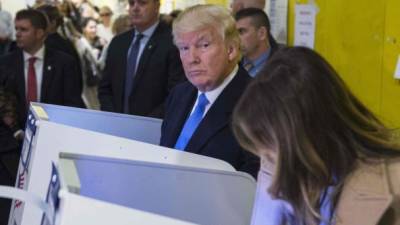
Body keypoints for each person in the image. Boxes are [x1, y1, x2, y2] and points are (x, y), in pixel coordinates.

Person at [232, 46, 400, 225]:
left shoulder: (390, 186)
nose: (271, 168)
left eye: (271, 154)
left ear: (309, 134)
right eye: (264, 156)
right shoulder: (288, 166)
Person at [160, 4, 259, 178]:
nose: (192, 59)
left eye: (203, 45)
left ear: (231, 49)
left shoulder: (258, 104)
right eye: (184, 48)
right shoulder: (179, 94)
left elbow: (251, 182)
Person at [0, 9, 84, 132]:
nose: (17, 34)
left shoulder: (64, 63)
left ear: (39, 33)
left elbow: (73, 104)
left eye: (23, 30)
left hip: (53, 135)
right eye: (16, 29)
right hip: (12, 141)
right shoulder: (5, 63)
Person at [98, 0, 185, 118]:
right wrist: (113, 117)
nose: (135, 8)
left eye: (142, 3)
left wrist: (145, 123)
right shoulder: (118, 43)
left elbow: (177, 94)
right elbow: (105, 88)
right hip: (116, 126)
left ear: (157, 6)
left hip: (155, 127)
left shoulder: (173, 43)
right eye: (132, 3)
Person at [235, 8, 277, 77]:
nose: (235, 38)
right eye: (234, 33)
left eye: (241, 32)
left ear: (261, 33)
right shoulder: (231, 65)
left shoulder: (284, 67)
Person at [76, 17, 105, 109]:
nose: (94, 30)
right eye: (91, 27)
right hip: (87, 85)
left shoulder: (95, 42)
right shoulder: (81, 44)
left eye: (95, 27)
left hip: (95, 85)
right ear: (84, 29)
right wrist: (104, 52)